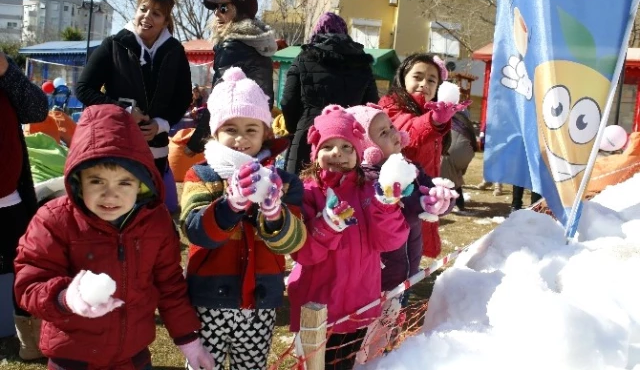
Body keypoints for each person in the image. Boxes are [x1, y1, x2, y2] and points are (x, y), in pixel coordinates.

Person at [13, 104, 214, 370]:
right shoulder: (54, 220)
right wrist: (66, 296)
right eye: (97, 181)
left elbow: (169, 284)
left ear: (142, 184)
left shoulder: (155, 222)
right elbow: (30, 282)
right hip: (72, 357)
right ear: (77, 180)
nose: (111, 195)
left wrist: (189, 341)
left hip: (132, 356)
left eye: (124, 183)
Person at [288, 105, 445, 370]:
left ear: (360, 153)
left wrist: (385, 206)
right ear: (315, 154)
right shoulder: (307, 193)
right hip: (316, 310)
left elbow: (391, 241)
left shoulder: (369, 192)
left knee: (347, 364)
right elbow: (303, 253)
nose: (337, 153)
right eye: (328, 147)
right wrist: (326, 225)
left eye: (347, 147)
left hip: (360, 306)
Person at [180, 67, 306, 370]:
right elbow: (194, 231)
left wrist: (275, 214)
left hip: (260, 302)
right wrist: (231, 205)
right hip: (208, 299)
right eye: (231, 129)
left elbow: (295, 243)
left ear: (266, 131)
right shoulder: (202, 175)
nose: (241, 139)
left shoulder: (284, 181)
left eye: (251, 129)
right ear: (215, 132)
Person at [347, 104, 456, 363]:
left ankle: (383, 358)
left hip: (407, 268)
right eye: (382, 133)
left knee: (391, 325)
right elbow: (396, 209)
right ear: (366, 146)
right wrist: (422, 203)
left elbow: (430, 191)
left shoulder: (410, 166)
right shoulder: (367, 179)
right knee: (367, 335)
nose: (393, 133)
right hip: (380, 276)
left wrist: (442, 199)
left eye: (391, 127)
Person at [74, 0, 192, 176]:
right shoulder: (113, 44)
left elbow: (183, 97)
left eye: (156, 13)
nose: (147, 17)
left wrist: (161, 124)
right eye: (143, 9)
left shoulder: (175, 51)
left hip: (156, 151)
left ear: (165, 22)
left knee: (150, 202)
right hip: (115, 143)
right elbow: (83, 89)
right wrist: (123, 110)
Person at [378, 53, 468, 257]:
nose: (423, 84)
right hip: (398, 196)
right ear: (402, 78)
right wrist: (434, 121)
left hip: (420, 192)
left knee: (413, 250)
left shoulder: (428, 110)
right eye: (417, 77)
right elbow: (407, 133)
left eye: (431, 80)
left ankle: (406, 283)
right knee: (395, 251)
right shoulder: (390, 107)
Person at [280, 12, 379, 174]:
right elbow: (370, 107)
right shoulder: (362, 62)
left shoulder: (304, 57)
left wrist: (295, 127)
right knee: (343, 192)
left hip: (308, 135)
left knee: (299, 192)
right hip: (347, 141)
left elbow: (287, 101)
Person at [186, 0, 277, 155]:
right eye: (216, 9)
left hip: (231, 134)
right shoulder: (258, 44)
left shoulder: (232, 46)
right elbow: (267, 98)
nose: (216, 14)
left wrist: (194, 145)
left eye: (223, 8)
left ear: (239, 12)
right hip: (254, 134)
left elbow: (218, 101)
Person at [0, 52, 48, 360]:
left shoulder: (5, 71)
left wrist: (6, 70)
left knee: (19, 268)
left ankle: (20, 339)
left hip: (10, 198)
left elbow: (37, 110)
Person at [440, 110, 479, 212]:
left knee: (448, 176)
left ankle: (452, 203)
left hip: (453, 152)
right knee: (454, 174)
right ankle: (458, 204)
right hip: (467, 152)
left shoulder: (447, 120)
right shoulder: (464, 123)